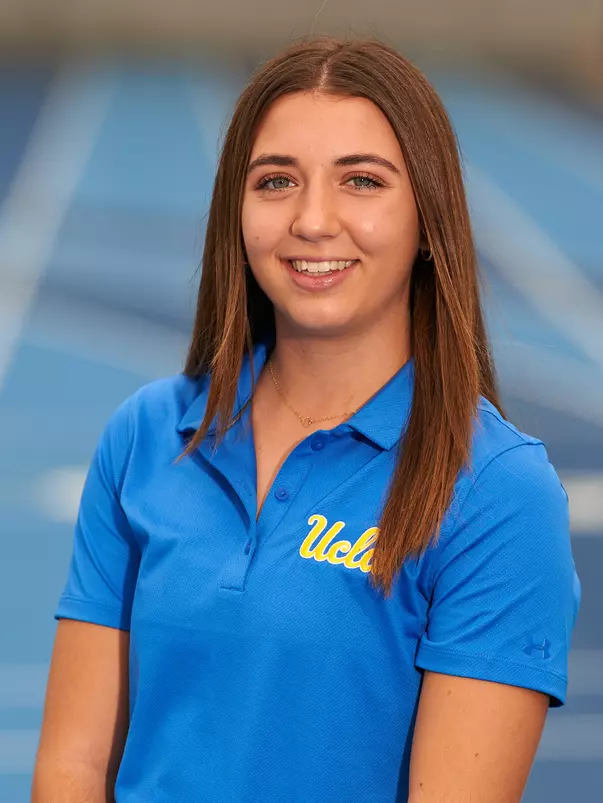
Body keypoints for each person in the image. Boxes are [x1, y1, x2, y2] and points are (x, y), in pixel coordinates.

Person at [32, 35, 581, 803]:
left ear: (429, 218)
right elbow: (71, 769)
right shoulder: (146, 434)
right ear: (238, 211)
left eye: (361, 181)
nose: (313, 220)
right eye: (276, 181)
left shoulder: (496, 492)